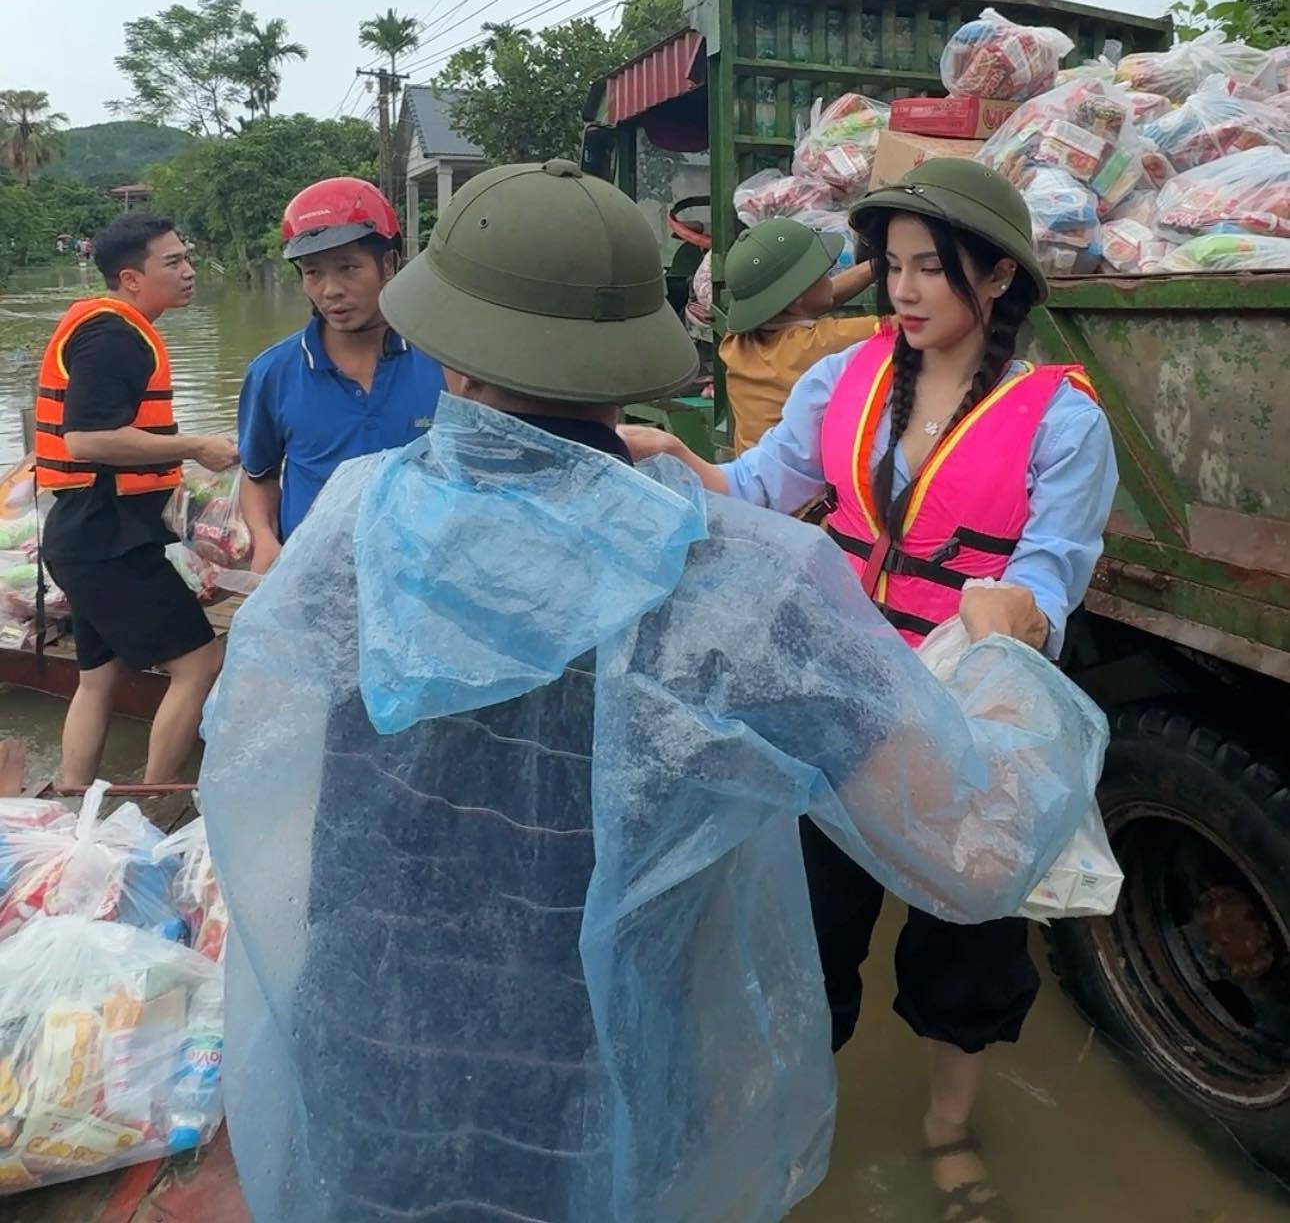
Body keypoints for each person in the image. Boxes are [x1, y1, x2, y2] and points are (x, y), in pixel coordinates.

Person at [201, 159, 1106, 1223]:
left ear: (445, 357)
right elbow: (982, 849)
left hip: (369, 1066)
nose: (904, 289)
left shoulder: (347, 522)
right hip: (603, 1105)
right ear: (635, 359)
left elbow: (257, 749)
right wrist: (1001, 659)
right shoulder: (748, 587)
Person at [623, 157, 1118, 1222]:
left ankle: (947, 1127)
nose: (901, 291)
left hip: (966, 707)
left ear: (997, 276)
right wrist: (672, 458)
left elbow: (1052, 570)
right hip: (834, 688)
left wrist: (1018, 615)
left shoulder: (1061, 419)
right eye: (891, 267)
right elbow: (760, 488)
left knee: (969, 936)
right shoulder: (839, 379)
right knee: (807, 919)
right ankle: (786, 1118)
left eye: (929, 268)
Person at [34, 214, 239, 786]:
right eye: (172, 262)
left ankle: (73, 792)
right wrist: (196, 445)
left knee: (99, 676)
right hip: (107, 539)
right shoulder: (115, 336)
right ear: (130, 278)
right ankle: (154, 796)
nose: (189, 271)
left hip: (82, 532)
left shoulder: (108, 326)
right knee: (199, 661)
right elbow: (86, 439)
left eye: (186, 257)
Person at [237, 177, 445, 569]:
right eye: (313, 272)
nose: (330, 290)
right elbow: (258, 475)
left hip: (421, 576)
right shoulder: (272, 373)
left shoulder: (443, 361)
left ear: (388, 264)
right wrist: (263, 538)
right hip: (313, 578)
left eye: (348, 268)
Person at [720, 218, 877, 452]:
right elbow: (912, 324)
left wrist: (876, 265)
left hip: (754, 471)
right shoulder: (822, 343)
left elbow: (818, 297)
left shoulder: (734, 342)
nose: (828, 277)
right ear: (795, 296)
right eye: (822, 273)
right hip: (798, 475)